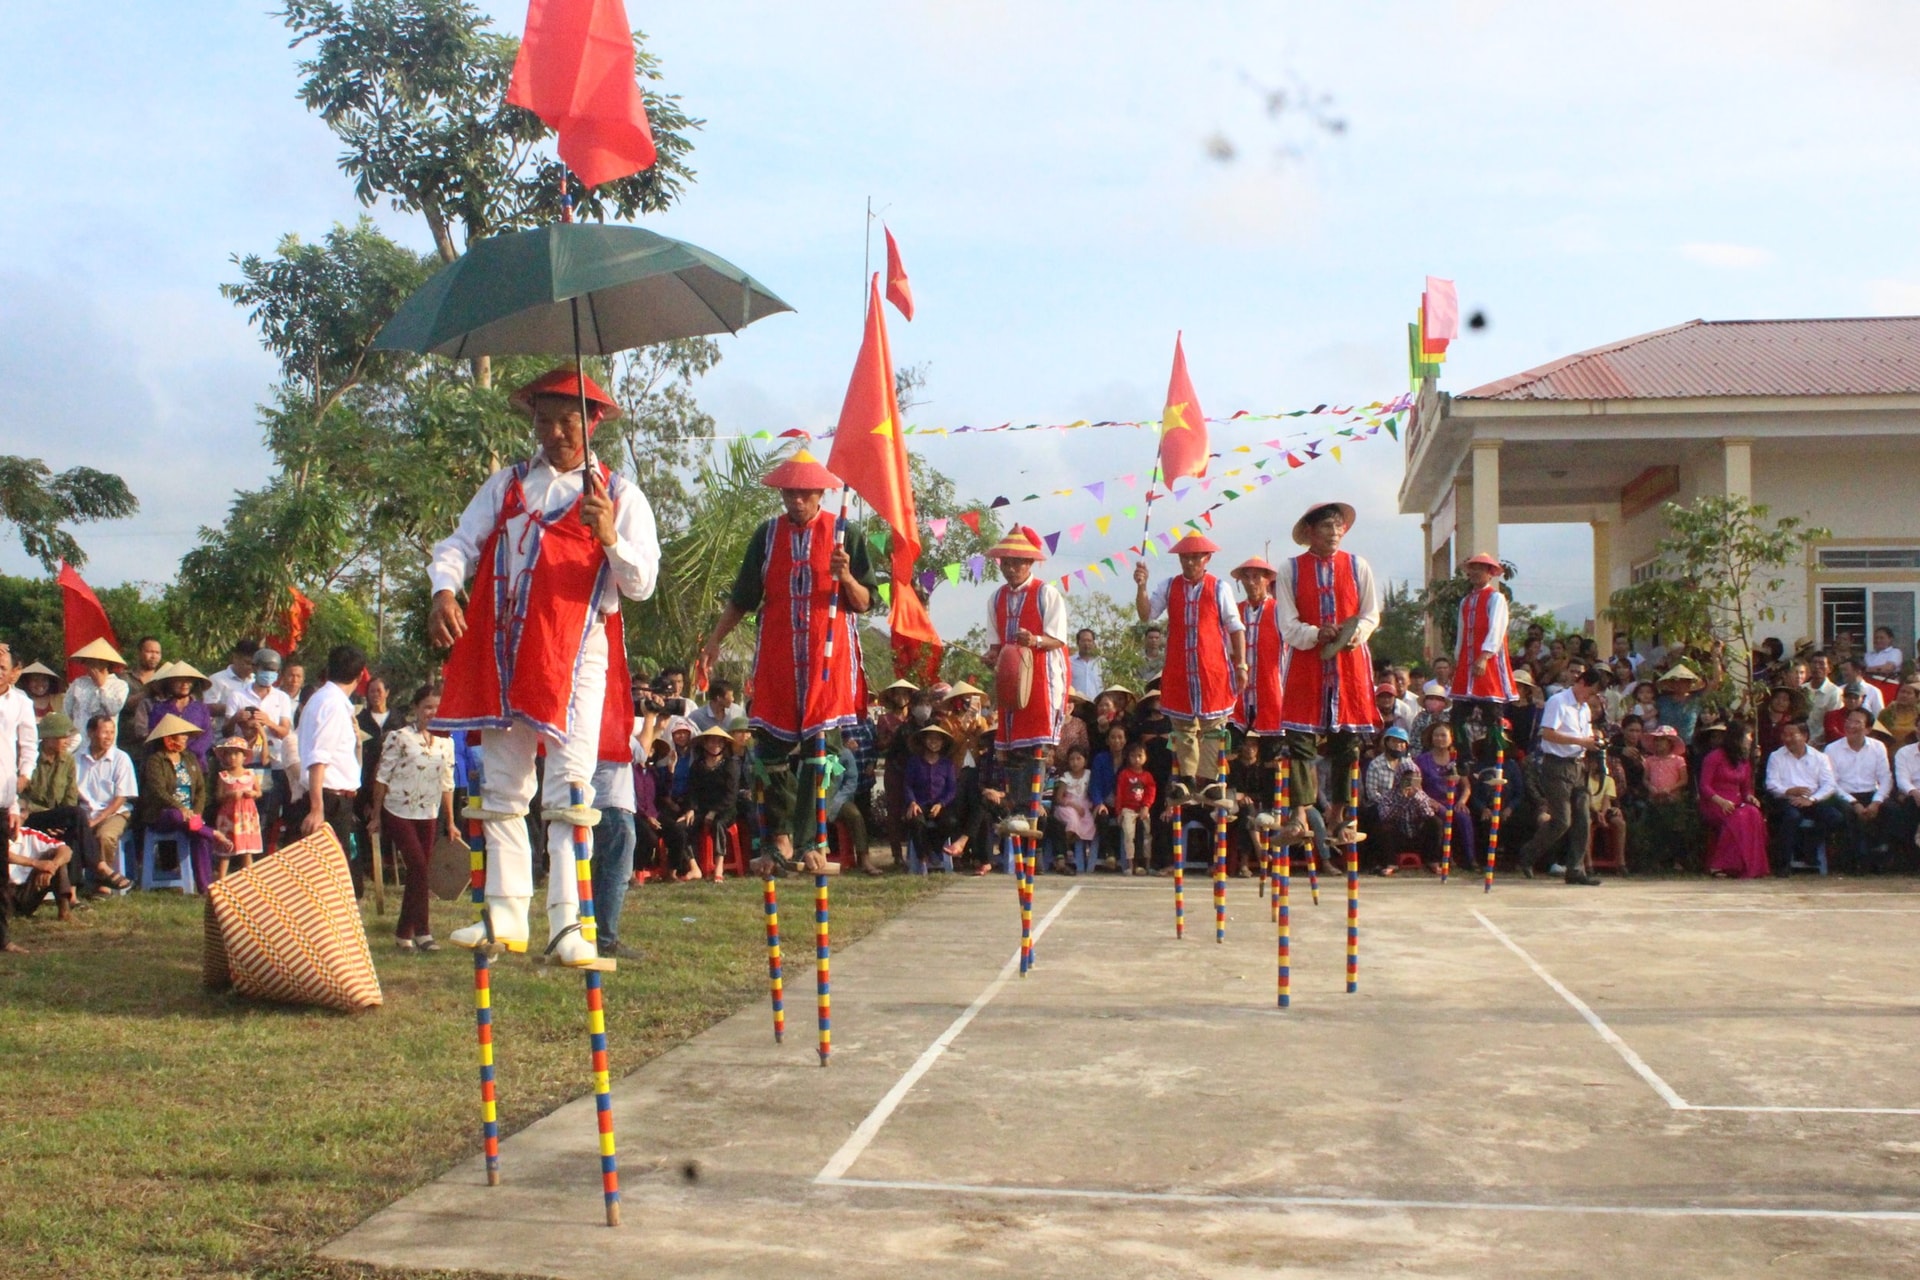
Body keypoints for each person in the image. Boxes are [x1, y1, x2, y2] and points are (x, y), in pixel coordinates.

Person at [430, 367, 660, 964]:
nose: (556, 432)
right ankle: (504, 916)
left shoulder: (620, 494)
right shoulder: (506, 486)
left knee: (568, 787)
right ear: (531, 421)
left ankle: (570, 925)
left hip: (576, 654)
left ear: (593, 422)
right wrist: (445, 591)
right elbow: (458, 543)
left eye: (569, 420)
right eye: (545, 420)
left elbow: (640, 584)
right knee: (503, 785)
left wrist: (609, 535)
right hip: (505, 650)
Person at [701, 449, 871, 877]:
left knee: (821, 754)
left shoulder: (844, 533)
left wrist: (846, 576)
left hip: (826, 657)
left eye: (803, 493)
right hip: (777, 654)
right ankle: (777, 840)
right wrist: (715, 641)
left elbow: (865, 601)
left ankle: (814, 841)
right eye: (788, 493)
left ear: (820, 494)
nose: (795, 500)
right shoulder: (766, 535)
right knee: (769, 753)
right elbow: (743, 596)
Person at [1273, 502, 1381, 837]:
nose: (1334, 533)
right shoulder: (1290, 569)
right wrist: (1316, 633)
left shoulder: (1357, 566)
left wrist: (1356, 634)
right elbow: (1287, 625)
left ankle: (1339, 814)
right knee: (1300, 741)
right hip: (1308, 663)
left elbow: (1370, 614)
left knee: (1346, 744)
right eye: (1325, 527)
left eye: (1337, 527)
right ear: (1309, 532)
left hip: (1349, 666)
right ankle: (1299, 816)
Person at [1133, 533, 1248, 800]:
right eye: (1186, 557)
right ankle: (1186, 779)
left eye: (1196, 557)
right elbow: (1146, 614)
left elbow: (1235, 627)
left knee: (1212, 727)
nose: (1190, 562)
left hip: (1212, 668)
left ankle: (1209, 780)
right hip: (1179, 669)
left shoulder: (1220, 588)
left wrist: (1241, 664)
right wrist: (1141, 586)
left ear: (1206, 559)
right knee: (1182, 727)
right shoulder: (1169, 586)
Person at [984, 525, 1072, 814]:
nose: (1010, 568)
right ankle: (1016, 806)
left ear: (1029, 563)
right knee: (1010, 746)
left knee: (1034, 744)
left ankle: (1031, 808)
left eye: (1016, 562)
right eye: (1006, 562)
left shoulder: (1046, 594)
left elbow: (1058, 639)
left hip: (1041, 677)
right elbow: (995, 645)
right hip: (1010, 681)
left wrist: (1034, 640)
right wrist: (990, 656)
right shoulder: (995, 598)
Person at [371, 684, 457, 953]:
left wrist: (451, 821)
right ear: (417, 709)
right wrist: (375, 815)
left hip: (428, 811)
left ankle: (403, 932)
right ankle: (423, 931)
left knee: (420, 872)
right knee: (418, 866)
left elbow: (447, 783)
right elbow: (382, 776)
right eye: (427, 707)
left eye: (437, 708)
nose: (432, 713)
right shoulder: (399, 737)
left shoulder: (446, 741)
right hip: (398, 808)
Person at [1512, 667, 1607, 885]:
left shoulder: (1584, 709)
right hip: (1556, 765)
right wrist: (1581, 742)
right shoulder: (1558, 702)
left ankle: (1575, 869)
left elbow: (1586, 735)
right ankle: (1528, 854)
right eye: (1590, 691)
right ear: (1581, 682)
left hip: (1578, 765)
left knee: (1583, 817)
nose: (1590, 697)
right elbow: (1547, 733)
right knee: (1562, 820)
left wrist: (1594, 741)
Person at [297, 645, 369, 893]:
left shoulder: (321, 699)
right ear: (360, 677)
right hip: (329, 798)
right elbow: (319, 758)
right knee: (332, 875)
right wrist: (318, 808)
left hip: (334, 797)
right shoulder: (333, 705)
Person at [139, 712, 230, 887]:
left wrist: (195, 813)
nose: (185, 738)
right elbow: (158, 791)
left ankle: (205, 886)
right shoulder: (155, 761)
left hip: (190, 816)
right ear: (170, 737)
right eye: (182, 735)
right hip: (162, 814)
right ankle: (213, 833)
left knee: (199, 836)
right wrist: (181, 809)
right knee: (176, 816)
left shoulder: (189, 758)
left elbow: (201, 789)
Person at [227, 649, 296, 851]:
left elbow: (285, 731)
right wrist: (236, 719)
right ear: (255, 669)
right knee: (242, 810)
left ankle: (262, 852)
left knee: (268, 810)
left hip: (272, 762)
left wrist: (268, 722)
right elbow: (225, 732)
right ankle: (240, 851)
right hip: (243, 763)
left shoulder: (281, 698)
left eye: (274, 670)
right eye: (266, 669)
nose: (269, 674)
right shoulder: (238, 695)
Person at [1764, 720, 1845, 875]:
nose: (1787, 739)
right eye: (1784, 735)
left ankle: (1809, 848)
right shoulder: (1776, 756)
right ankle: (1783, 864)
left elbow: (1829, 785)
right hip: (1786, 800)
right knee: (1791, 817)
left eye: (1791, 735)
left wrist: (1811, 800)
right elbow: (1771, 784)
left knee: (1835, 817)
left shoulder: (1819, 757)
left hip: (1812, 800)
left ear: (1805, 736)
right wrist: (1789, 791)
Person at [1230, 556, 1287, 766]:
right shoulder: (1235, 611)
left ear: (1266, 580)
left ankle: (1272, 798)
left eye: (1256, 577)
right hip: (1238, 693)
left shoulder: (1280, 611)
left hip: (1271, 691)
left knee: (1271, 758)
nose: (1251, 582)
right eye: (1246, 577)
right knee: (1228, 749)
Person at [74, 714, 136, 894]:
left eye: (112, 732)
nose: (109, 737)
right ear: (91, 733)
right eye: (104, 732)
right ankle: (75, 884)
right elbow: (72, 794)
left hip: (115, 813)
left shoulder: (121, 758)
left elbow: (121, 798)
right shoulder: (77, 758)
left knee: (104, 836)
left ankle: (102, 882)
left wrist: (99, 818)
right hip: (84, 812)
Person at [1825, 707, 1892, 872]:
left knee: (1893, 810)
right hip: (1844, 795)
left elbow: (1885, 778)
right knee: (1847, 812)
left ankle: (1883, 855)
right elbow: (1832, 783)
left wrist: (1876, 802)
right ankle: (1856, 858)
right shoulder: (1832, 749)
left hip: (1871, 793)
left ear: (1868, 729)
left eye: (1857, 722)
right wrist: (1853, 802)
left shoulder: (1878, 747)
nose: (1850, 726)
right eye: (1848, 721)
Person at [1699, 720, 1768, 879]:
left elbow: (1746, 789)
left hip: (1737, 803)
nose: (1750, 739)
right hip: (1715, 803)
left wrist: (1751, 797)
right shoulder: (1714, 757)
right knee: (1738, 817)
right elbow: (1704, 786)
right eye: (1748, 736)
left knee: (1754, 813)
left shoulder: (1743, 761)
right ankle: (1720, 864)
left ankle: (1747, 864)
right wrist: (1721, 801)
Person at [20, 711, 82, 860]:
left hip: (56, 815)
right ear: (49, 739)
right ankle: (98, 865)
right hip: (31, 815)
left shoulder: (68, 760)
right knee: (77, 815)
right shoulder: (29, 758)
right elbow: (22, 797)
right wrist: (50, 818)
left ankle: (72, 882)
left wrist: (59, 822)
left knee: (75, 822)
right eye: (63, 737)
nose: (67, 741)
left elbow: (70, 796)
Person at [1415, 723, 1476, 871]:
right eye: (1436, 735)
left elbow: (1466, 786)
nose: (1439, 738)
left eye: (1443, 735)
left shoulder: (1456, 760)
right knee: (1444, 815)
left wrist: (1462, 801)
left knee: (1464, 817)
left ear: (1451, 739)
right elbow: (1416, 786)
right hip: (1432, 802)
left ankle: (1470, 859)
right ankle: (1446, 857)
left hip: (1453, 801)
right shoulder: (1421, 760)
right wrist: (1428, 800)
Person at [680, 726, 739, 881]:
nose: (716, 745)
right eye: (712, 741)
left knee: (718, 824)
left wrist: (714, 811)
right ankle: (694, 867)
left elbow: (731, 796)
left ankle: (719, 867)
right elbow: (692, 791)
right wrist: (690, 809)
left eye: (720, 742)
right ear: (705, 744)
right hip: (701, 809)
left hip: (725, 809)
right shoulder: (697, 766)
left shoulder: (730, 765)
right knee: (681, 827)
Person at [4, 823, 76, 949]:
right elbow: (5, 855)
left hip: (27, 890)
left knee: (55, 856)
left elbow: (66, 850)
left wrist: (52, 866)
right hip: (4, 891)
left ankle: (64, 911)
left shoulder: (31, 834)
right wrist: (35, 863)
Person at [902, 724, 959, 869]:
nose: (934, 743)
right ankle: (923, 857)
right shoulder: (914, 762)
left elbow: (952, 789)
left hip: (940, 805)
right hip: (920, 804)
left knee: (951, 822)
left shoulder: (947, 764)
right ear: (924, 741)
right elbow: (907, 785)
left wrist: (941, 804)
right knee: (916, 822)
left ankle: (934, 848)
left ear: (943, 743)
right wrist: (912, 802)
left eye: (937, 740)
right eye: (930, 739)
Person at [137, 663, 215, 770]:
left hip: (195, 765)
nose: (185, 684)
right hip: (165, 765)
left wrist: (187, 753)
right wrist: (172, 753)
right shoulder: (159, 709)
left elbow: (207, 736)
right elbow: (155, 736)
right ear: (169, 684)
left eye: (188, 680)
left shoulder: (201, 709)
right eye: (179, 680)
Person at [209, 737, 262, 881]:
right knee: (227, 848)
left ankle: (250, 879)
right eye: (229, 754)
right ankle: (221, 878)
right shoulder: (224, 776)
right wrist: (230, 795)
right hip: (229, 816)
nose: (232, 757)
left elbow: (259, 791)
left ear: (244, 756)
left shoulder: (250, 774)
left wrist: (253, 794)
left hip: (246, 816)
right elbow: (218, 796)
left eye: (236, 754)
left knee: (247, 849)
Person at [63, 638, 129, 742]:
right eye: (88, 662)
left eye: (95, 662)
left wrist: (101, 685)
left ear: (106, 663)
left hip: (105, 743)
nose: (90, 665)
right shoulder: (79, 683)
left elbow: (113, 709)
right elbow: (66, 711)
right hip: (79, 743)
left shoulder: (119, 685)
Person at [1050, 745, 1097, 874]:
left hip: (1084, 806)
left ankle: (1072, 849)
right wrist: (1073, 805)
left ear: (1085, 761)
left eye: (1078, 759)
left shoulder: (1089, 774)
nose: (1075, 762)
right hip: (1067, 806)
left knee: (1088, 823)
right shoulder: (1066, 776)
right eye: (1072, 759)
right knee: (1072, 820)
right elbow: (1059, 798)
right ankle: (1065, 850)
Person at [1113, 740, 1155, 876]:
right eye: (1133, 756)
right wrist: (1119, 812)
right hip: (1128, 809)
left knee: (1147, 835)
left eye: (1139, 756)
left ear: (1146, 757)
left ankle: (1147, 865)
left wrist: (1146, 807)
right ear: (1128, 757)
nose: (1136, 759)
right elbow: (1119, 794)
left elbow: (1151, 792)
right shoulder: (1124, 774)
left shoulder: (1147, 776)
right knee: (1129, 835)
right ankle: (1130, 865)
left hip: (1143, 809)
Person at [204, 639, 259, 724]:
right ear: (235, 658)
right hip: (223, 735)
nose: (250, 667)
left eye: (254, 664)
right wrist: (233, 708)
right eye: (247, 663)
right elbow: (206, 708)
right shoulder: (217, 679)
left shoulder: (256, 681)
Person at [1890, 730, 1920, 870]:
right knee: (1907, 810)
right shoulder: (1904, 752)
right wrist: (1913, 792)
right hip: (1913, 795)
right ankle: (1912, 861)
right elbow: (1902, 778)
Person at [1876, 680, 1920, 748]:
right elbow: (1877, 734)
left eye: (1909, 693)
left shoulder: (1918, 714)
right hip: (1889, 752)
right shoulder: (1887, 712)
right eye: (1902, 692)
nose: (1904, 695)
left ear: (1917, 697)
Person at [1069, 629, 1104, 702]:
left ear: (1094, 643)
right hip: (1076, 705)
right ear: (1077, 642)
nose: (1086, 644)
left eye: (1089, 641)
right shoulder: (1069, 662)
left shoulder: (1101, 662)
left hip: (1097, 705)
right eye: (1083, 641)